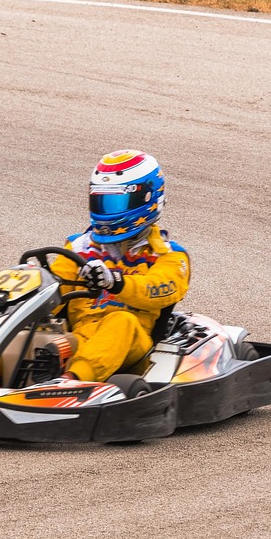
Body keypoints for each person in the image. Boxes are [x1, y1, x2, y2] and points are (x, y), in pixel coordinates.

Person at [49, 150, 190, 383]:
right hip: (79, 335)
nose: (107, 210)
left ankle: (71, 382)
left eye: (116, 201)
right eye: (101, 201)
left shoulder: (169, 255)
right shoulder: (78, 247)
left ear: (147, 199)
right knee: (32, 329)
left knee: (121, 321)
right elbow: (55, 285)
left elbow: (158, 288)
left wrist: (115, 281)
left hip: (132, 345)